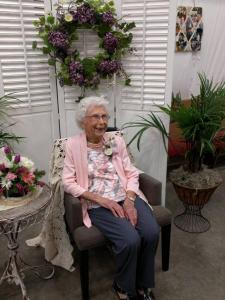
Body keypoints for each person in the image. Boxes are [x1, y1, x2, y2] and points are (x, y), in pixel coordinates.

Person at [62, 96, 160, 300]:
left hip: (125, 195)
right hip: (99, 204)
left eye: (105, 116)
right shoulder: (72, 145)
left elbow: (131, 172)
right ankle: (123, 287)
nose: (102, 122)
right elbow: (67, 182)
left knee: (151, 232)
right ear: (83, 121)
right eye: (96, 117)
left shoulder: (116, 141)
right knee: (130, 240)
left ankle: (143, 285)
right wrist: (100, 199)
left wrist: (130, 200)